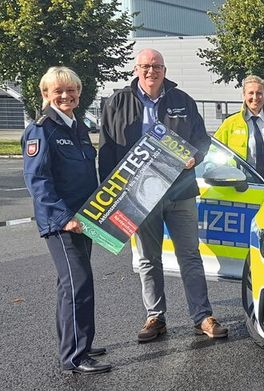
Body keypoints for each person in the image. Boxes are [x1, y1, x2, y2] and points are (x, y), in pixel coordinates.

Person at [99, 48, 228, 342]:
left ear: (165, 70)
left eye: (156, 66)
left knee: (190, 255)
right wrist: (109, 192)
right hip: (138, 196)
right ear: (136, 69)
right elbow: (106, 149)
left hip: (179, 191)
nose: (151, 71)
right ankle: (155, 317)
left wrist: (195, 156)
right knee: (148, 258)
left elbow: (202, 140)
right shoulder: (118, 102)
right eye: (145, 66)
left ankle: (202, 316)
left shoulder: (182, 101)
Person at [22, 67, 110, 374]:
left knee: (69, 284)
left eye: (71, 90)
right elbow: (38, 182)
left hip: (84, 219)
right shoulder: (42, 130)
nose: (65, 96)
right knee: (78, 283)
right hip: (62, 222)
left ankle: (76, 342)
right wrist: (65, 217)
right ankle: (76, 354)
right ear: (45, 94)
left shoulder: (78, 127)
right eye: (58, 91)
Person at [214, 74, 264, 182]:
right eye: (251, 93)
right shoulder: (230, 123)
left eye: (259, 93)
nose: (255, 97)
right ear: (244, 95)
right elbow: (213, 152)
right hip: (239, 186)